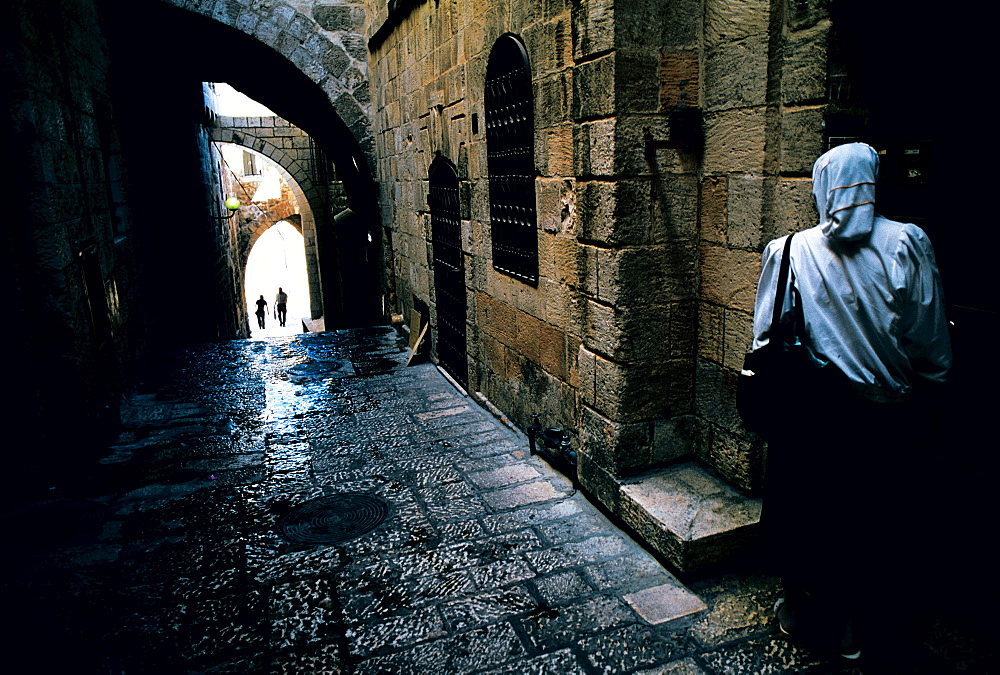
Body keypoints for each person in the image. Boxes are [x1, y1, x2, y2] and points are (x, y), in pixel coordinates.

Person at [751, 142, 951, 661]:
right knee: (872, 522)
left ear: (821, 187)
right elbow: (929, 340)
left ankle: (798, 610)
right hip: (887, 417)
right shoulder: (907, 243)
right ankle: (853, 630)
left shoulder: (790, 250)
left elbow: (766, 337)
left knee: (808, 514)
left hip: (816, 417)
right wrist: (932, 381)